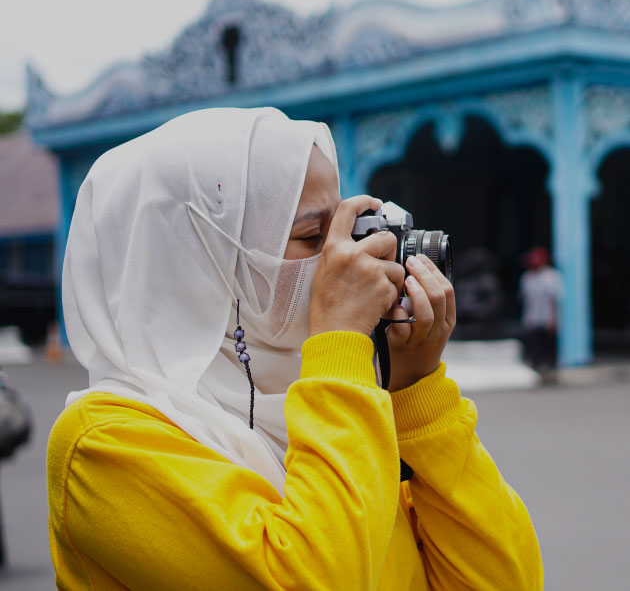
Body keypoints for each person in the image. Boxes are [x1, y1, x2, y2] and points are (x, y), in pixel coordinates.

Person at [46, 108, 543, 589]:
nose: (346, 256)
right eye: (312, 235)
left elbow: (504, 581)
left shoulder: (338, 404)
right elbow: (321, 578)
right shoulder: (103, 444)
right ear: (200, 264)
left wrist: (416, 391)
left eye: (347, 230)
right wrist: (340, 347)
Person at [519, 246, 562, 385]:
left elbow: (554, 299)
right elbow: (525, 300)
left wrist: (554, 319)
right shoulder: (527, 277)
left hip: (547, 318)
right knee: (534, 346)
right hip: (532, 318)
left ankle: (551, 371)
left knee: (548, 346)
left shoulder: (552, 276)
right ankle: (537, 371)